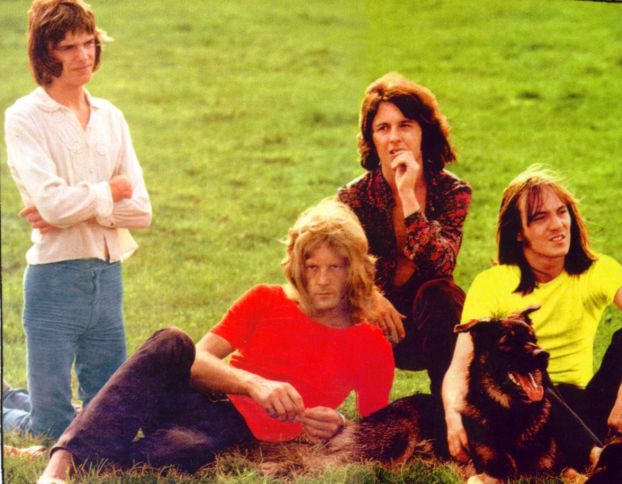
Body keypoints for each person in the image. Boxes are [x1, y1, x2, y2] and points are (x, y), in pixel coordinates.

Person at [36, 200, 394, 483]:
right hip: (199, 397)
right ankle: (59, 467)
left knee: (187, 450)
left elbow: (375, 428)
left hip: (231, 436)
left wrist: (339, 424)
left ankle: (91, 440)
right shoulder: (266, 299)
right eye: (312, 267)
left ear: (354, 270)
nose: (322, 280)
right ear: (298, 267)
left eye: (335, 267)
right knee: (173, 341)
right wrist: (254, 384)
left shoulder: (371, 343)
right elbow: (195, 359)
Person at [3, 0, 152, 440]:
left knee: (108, 417)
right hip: (54, 280)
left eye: (89, 43)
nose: (84, 56)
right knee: (50, 426)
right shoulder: (24, 117)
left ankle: (11, 396)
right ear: (44, 54)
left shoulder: (111, 116)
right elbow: (53, 206)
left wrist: (75, 209)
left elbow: (141, 211)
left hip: (107, 277)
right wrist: (108, 192)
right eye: (68, 47)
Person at [442, 166, 622, 470]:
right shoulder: (493, 282)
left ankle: (596, 449)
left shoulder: (599, 269)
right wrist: (452, 416)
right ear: (518, 232)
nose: (558, 225)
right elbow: (460, 365)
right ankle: (595, 456)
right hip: (524, 409)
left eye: (561, 212)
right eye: (540, 218)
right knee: (542, 385)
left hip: (584, 405)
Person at [337, 72, 471, 398]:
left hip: (433, 326)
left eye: (405, 125)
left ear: (425, 132)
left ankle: (447, 404)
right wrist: (370, 296)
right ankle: (364, 408)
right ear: (372, 138)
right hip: (372, 319)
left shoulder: (452, 191)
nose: (394, 138)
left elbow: (441, 264)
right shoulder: (353, 198)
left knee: (441, 293)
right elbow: (337, 269)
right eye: (383, 128)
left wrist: (408, 195)